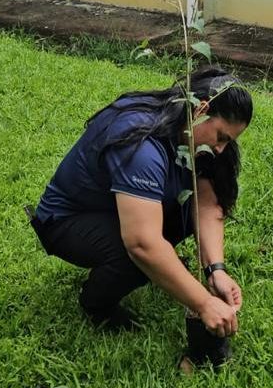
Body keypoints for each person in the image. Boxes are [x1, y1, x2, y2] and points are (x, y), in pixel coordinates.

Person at [29, 66, 253, 335]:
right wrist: (204, 303)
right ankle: (95, 304)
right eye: (221, 138)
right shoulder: (141, 146)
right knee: (140, 258)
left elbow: (206, 203)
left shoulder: (198, 139)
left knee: (183, 212)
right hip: (67, 221)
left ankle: (160, 266)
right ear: (200, 110)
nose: (222, 149)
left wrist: (215, 269)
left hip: (120, 209)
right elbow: (142, 244)